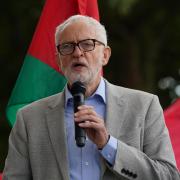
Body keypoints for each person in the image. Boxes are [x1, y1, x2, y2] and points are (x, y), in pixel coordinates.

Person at [3, 15, 180, 180]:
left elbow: (168, 175)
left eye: (87, 44)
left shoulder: (144, 106)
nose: (77, 53)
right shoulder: (29, 118)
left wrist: (108, 144)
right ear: (58, 61)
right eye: (67, 46)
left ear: (105, 55)